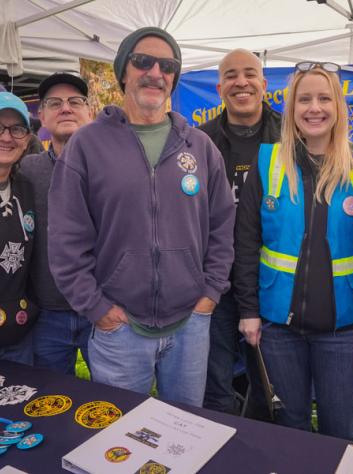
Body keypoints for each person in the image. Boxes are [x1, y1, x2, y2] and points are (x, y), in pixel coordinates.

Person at [47, 27, 235, 407]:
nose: (155, 72)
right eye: (142, 61)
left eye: (167, 66)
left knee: (183, 433)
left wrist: (210, 294)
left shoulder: (199, 146)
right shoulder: (87, 145)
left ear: (174, 79)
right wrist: (98, 309)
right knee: (115, 440)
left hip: (190, 325)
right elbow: (65, 239)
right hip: (120, 328)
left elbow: (222, 225)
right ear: (122, 73)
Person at [234, 62, 353, 437]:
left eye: (324, 98)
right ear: (291, 108)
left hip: (343, 330)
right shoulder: (267, 163)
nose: (315, 108)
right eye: (305, 99)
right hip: (277, 327)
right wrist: (249, 311)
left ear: (338, 107)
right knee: (289, 427)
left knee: (339, 431)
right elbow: (246, 242)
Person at [199, 48, 281, 417]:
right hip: (213, 284)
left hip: (272, 282)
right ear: (220, 87)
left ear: (264, 84)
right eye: (231, 75)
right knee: (213, 383)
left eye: (249, 74)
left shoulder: (289, 137)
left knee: (269, 384)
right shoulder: (197, 142)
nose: (241, 82)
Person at [20, 73, 92, 375]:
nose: (66, 108)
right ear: (42, 115)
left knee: (117, 406)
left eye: (75, 101)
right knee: (51, 405)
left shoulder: (113, 168)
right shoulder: (25, 170)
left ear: (89, 112)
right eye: (55, 103)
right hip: (46, 315)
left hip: (101, 312)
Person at [0, 92, 38, 364]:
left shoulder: (26, 189)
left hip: (17, 337)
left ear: (26, 141)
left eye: (17, 128)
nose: (6, 137)